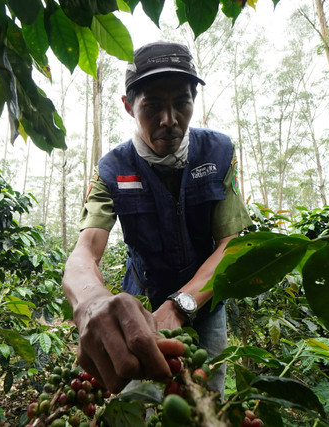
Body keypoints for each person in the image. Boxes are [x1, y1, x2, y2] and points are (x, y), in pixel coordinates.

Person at [62, 41, 251, 395]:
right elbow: (84, 252)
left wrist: (181, 305)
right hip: (142, 305)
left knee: (206, 396)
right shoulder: (112, 169)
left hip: (204, 304)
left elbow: (232, 243)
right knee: (142, 397)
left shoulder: (219, 152)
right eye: (152, 106)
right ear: (128, 106)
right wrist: (90, 302)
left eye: (181, 103)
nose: (169, 120)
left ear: (194, 101)